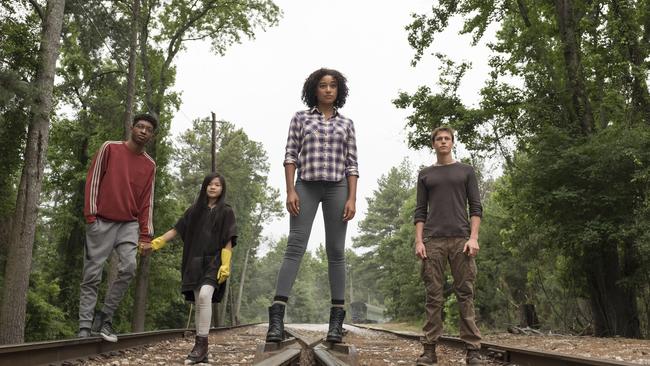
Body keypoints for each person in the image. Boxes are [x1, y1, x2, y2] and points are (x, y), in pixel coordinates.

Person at [266, 68, 359, 344]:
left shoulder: (347, 124)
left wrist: (352, 197)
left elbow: (352, 163)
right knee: (295, 246)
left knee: (336, 251)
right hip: (306, 185)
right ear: (314, 90)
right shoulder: (300, 118)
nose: (328, 90)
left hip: (337, 188)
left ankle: (336, 321)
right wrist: (290, 189)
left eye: (333, 86)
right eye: (323, 85)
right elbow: (290, 155)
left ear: (338, 91)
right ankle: (276, 318)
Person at [78, 113, 157, 342]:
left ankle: (104, 317)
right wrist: (91, 217)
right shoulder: (109, 148)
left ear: (152, 136)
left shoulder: (149, 165)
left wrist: (146, 235)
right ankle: (84, 327)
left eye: (148, 129)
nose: (143, 131)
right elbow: (93, 180)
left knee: (129, 268)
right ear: (132, 128)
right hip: (101, 220)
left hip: (129, 225)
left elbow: (147, 201)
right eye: (140, 126)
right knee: (91, 275)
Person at [413, 126, 485, 365]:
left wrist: (473, 237)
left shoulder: (466, 171)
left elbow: (475, 207)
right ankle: (429, 350)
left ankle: (473, 350)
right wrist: (419, 241)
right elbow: (420, 211)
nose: (443, 142)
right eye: (439, 139)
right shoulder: (425, 174)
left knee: (465, 294)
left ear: (453, 142)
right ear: (433, 143)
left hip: (461, 240)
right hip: (433, 241)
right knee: (433, 296)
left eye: (447, 138)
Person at [148, 172, 237, 364]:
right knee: (199, 304)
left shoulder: (226, 211)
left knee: (205, 295)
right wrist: (157, 243)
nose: (213, 187)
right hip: (194, 262)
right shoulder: (194, 210)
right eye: (210, 184)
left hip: (214, 262)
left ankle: (201, 344)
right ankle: (201, 351)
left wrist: (226, 264)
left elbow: (229, 238)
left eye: (217, 185)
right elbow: (177, 229)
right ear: (205, 186)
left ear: (222, 189)